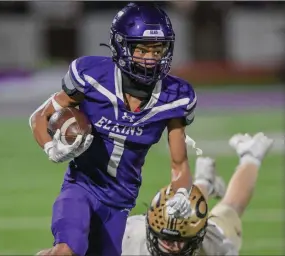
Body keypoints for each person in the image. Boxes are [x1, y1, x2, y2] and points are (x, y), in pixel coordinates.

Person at [30, 2, 198, 256]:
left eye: (158, 49)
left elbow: (179, 164)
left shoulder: (176, 97)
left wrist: (181, 193)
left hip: (120, 203)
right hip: (81, 187)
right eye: (142, 49)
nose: (151, 58)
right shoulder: (92, 76)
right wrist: (51, 148)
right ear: (122, 46)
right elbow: (40, 118)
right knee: (65, 250)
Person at [122, 132, 274, 255]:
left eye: (179, 241)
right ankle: (205, 179)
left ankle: (251, 154)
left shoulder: (214, 246)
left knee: (229, 212)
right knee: (189, 213)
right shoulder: (128, 238)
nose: (172, 248)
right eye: (166, 240)